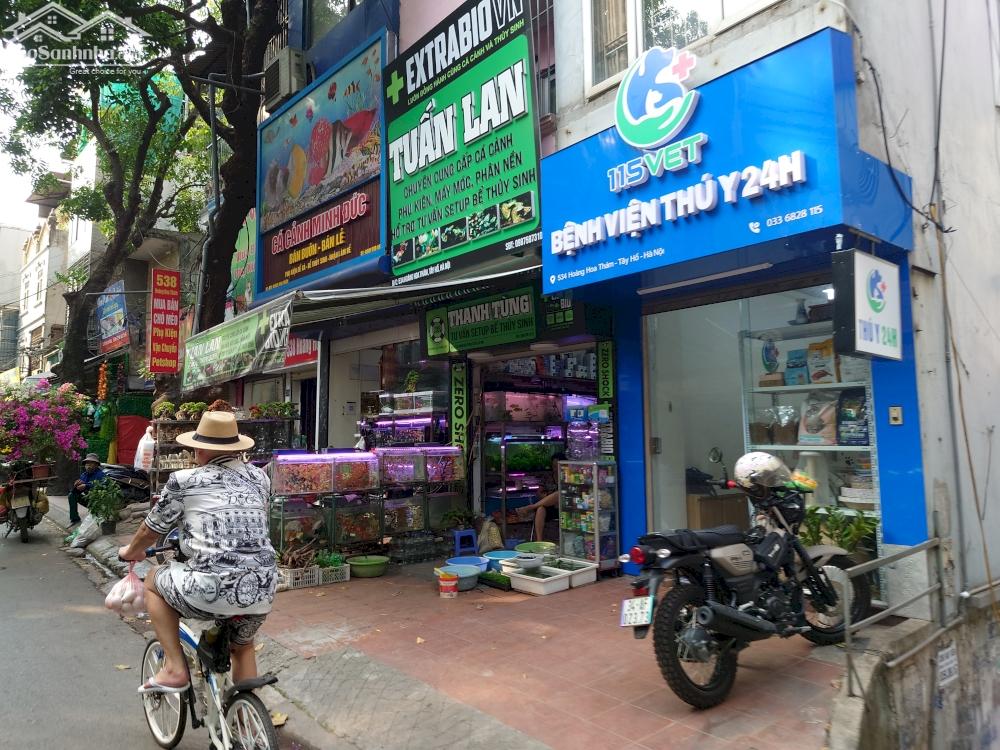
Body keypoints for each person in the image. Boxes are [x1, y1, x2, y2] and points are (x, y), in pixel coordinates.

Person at [118, 411, 277, 693]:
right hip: (263, 587)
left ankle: (174, 669)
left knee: (153, 580)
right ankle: (245, 714)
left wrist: (132, 551)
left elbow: (151, 529)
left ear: (200, 449)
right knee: (242, 646)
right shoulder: (259, 478)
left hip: (210, 587)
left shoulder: (184, 480)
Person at [516, 452, 566, 542]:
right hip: (550, 507)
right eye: (553, 466)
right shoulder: (548, 477)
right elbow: (539, 493)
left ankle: (531, 507)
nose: (555, 468)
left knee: (559, 494)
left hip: (564, 507)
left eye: (557, 466)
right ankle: (539, 540)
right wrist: (548, 497)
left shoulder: (567, 477)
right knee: (540, 509)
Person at [68, 453, 106, 525]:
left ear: (96, 465)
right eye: (87, 463)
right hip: (88, 499)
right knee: (71, 495)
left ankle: (99, 515)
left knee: (98, 518)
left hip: (98, 501)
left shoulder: (101, 475)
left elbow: (102, 486)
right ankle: (75, 519)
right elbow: (79, 490)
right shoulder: (84, 475)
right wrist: (76, 486)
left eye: (91, 463)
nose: (88, 465)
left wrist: (86, 486)